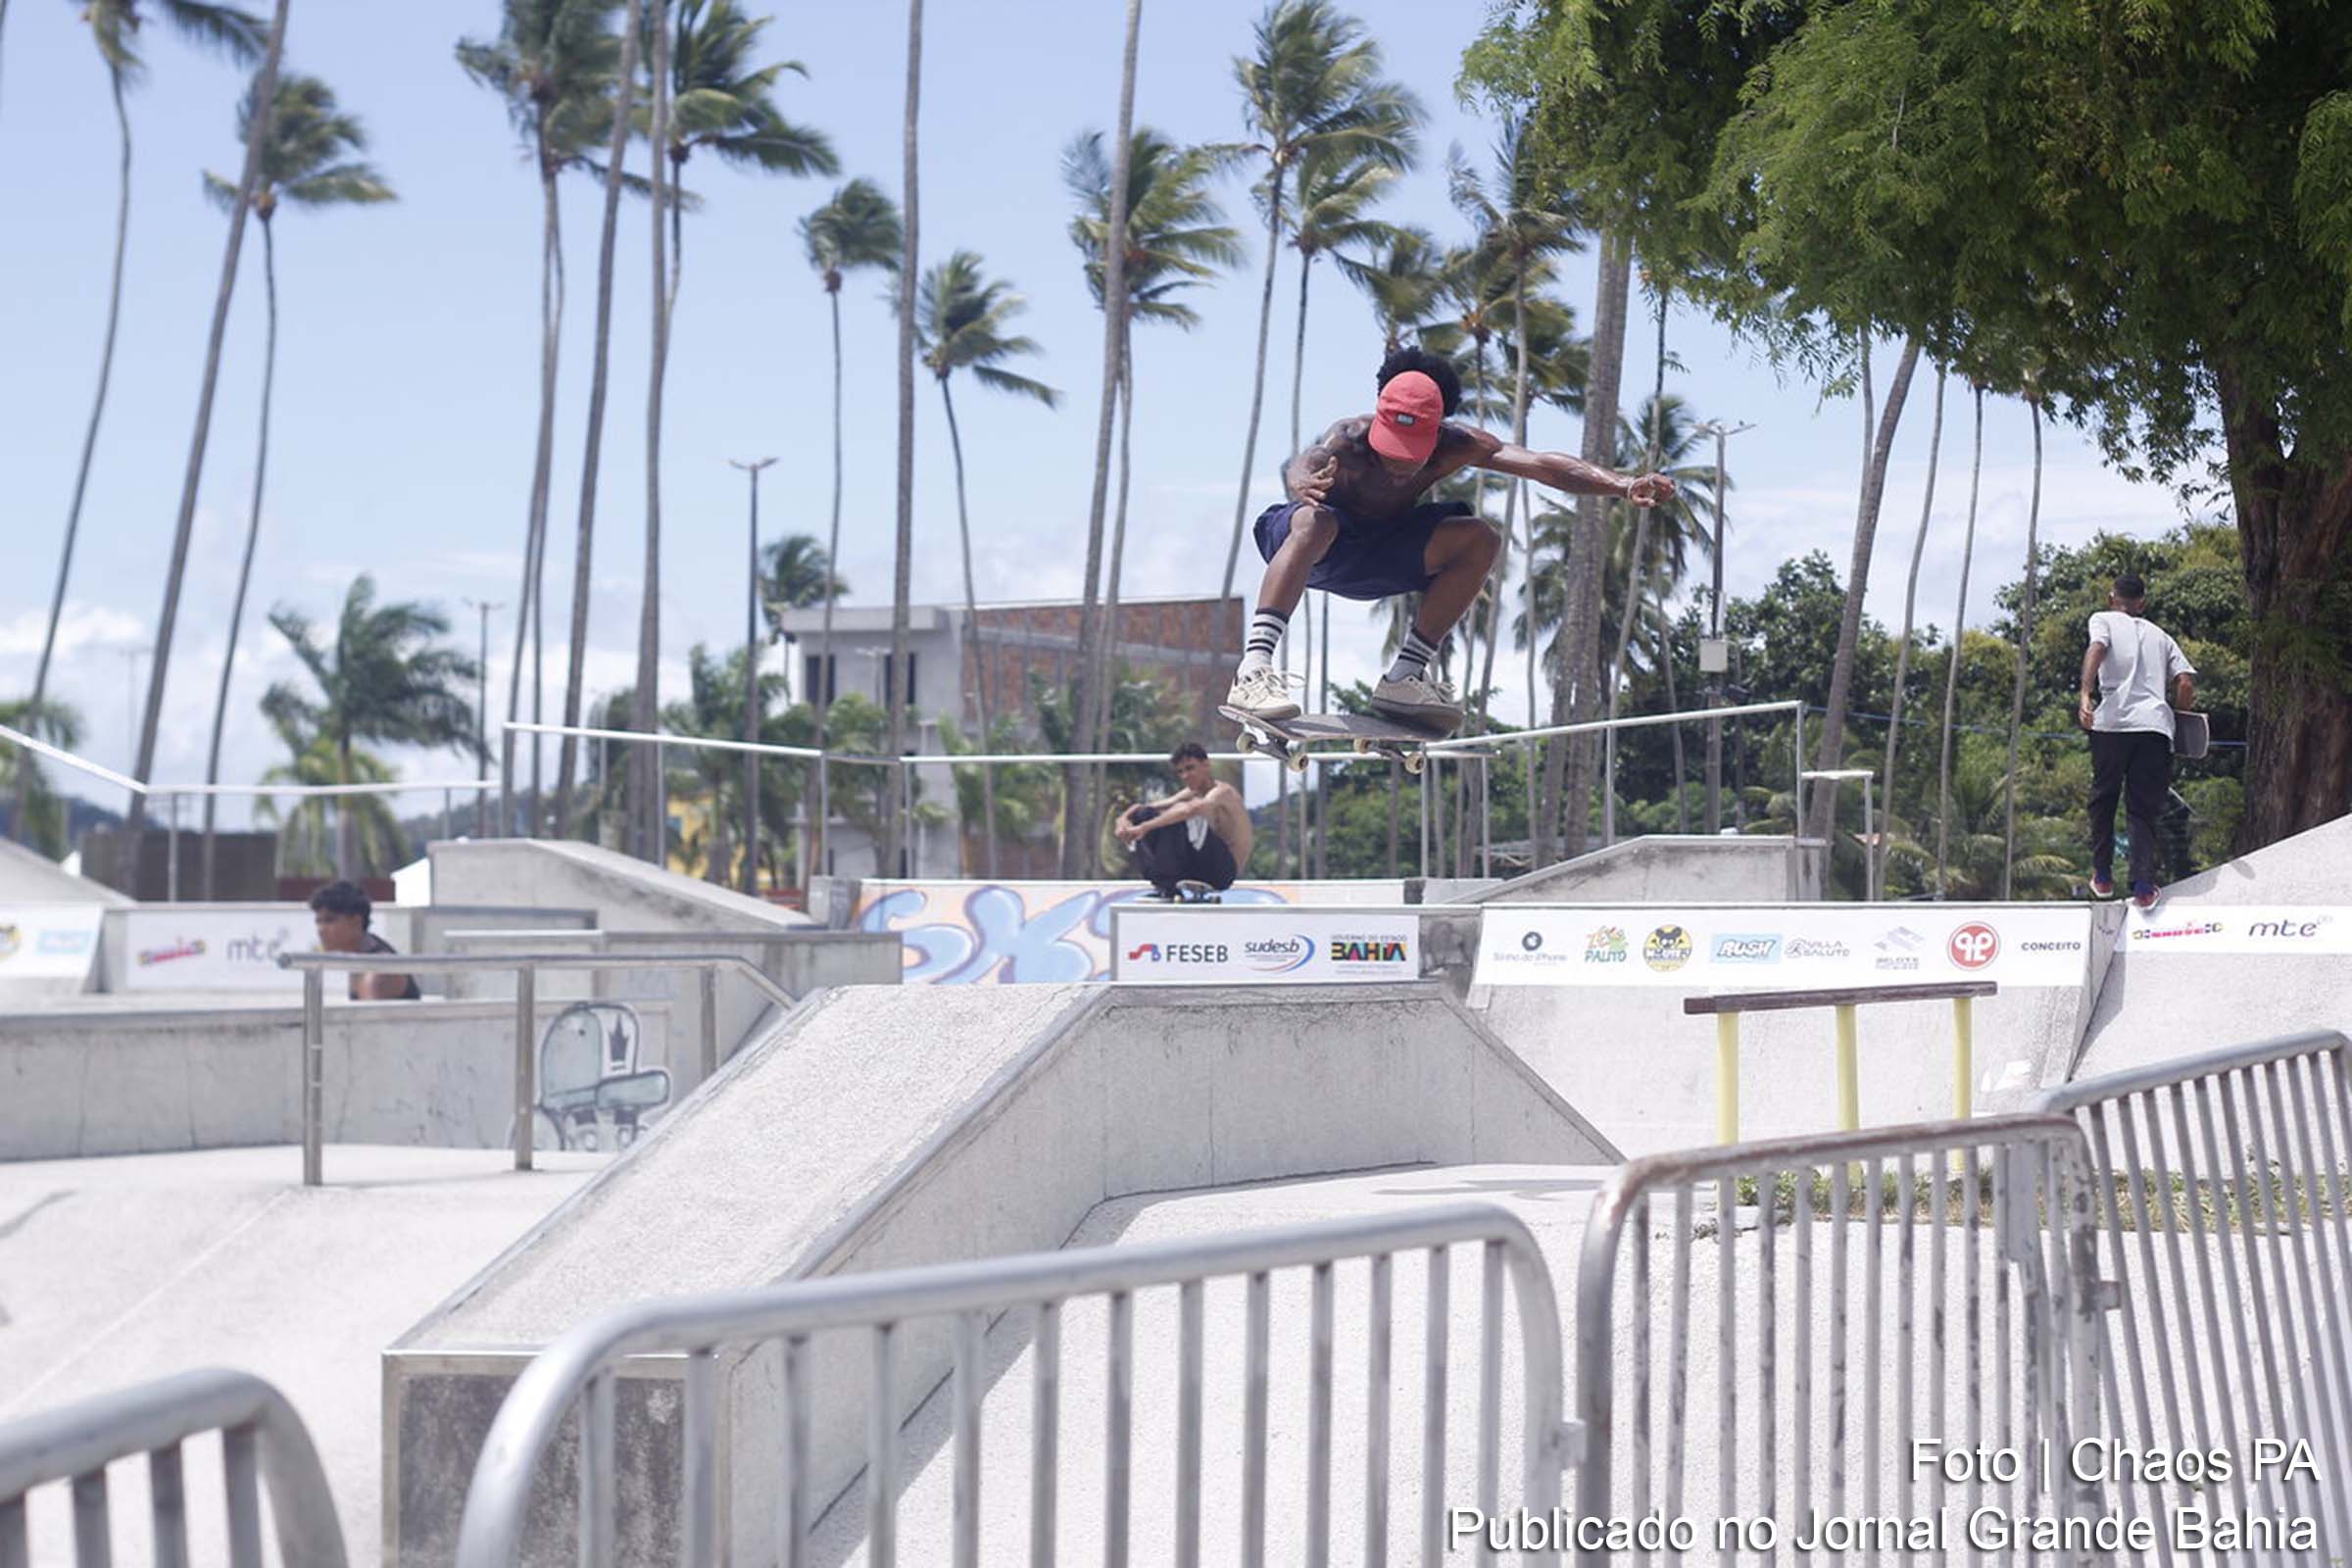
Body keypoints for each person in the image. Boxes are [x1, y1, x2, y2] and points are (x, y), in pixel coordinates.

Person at [1227, 345, 1676, 732]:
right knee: (1316, 522)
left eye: (1411, 452)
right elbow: (1307, 461)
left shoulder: (1457, 444)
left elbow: (1543, 465)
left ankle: (1403, 677)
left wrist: (1620, 484)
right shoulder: (1349, 440)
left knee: (1479, 538)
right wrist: (1300, 481)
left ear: (1436, 431)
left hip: (1377, 557)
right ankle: (1254, 669)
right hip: (1310, 548)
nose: (1399, 463)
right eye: (1391, 447)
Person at [2078, 573, 2196, 908]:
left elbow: (2097, 648)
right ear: (2142, 603)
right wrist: (2180, 718)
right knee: (2143, 809)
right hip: (2155, 729)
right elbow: (2185, 683)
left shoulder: (2103, 620)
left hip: (2112, 724)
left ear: (2111, 597)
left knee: (2104, 797)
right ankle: (2143, 886)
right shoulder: (2161, 635)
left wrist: (2086, 694)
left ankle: (2102, 874)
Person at [1113, 742, 1252, 900]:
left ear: (1206, 765)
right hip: (1198, 865)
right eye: (1180, 772)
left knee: (1183, 814)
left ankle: (1170, 881)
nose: (1186, 776)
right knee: (1146, 814)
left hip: (1222, 871)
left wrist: (1144, 828)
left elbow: (1189, 810)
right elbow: (1146, 807)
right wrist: (1123, 819)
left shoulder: (1222, 793)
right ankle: (1165, 887)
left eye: (1190, 768)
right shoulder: (1191, 793)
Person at [308, 879, 421, 1001]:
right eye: (318, 922)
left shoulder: (376, 973)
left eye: (329, 920)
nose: (321, 929)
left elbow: (368, 1018)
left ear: (356, 922)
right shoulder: (363, 955)